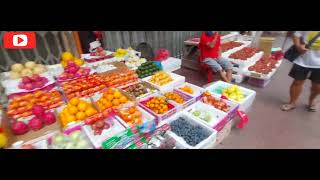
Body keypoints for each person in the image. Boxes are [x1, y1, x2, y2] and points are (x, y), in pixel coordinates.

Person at [281, 31, 320, 112]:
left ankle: (311, 101)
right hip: (302, 59)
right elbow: (296, 35)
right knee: (297, 82)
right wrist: (298, 46)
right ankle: (292, 103)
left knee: (318, 87)